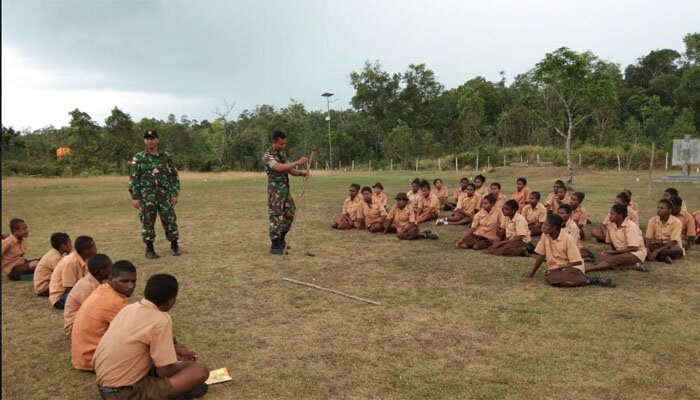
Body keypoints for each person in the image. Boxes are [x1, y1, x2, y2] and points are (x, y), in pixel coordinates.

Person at [93, 274, 208, 399]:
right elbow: (164, 371)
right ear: (171, 301)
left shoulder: (129, 309)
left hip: (104, 388)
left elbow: (138, 342)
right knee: (200, 370)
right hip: (126, 393)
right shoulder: (161, 320)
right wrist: (184, 365)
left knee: (178, 352)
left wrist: (177, 352)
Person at [72, 260, 137, 371]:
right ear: (110, 279)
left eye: (133, 281)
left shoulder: (103, 289)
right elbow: (135, 333)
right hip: (92, 359)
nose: (130, 286)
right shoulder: (114, 301)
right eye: (125, 281)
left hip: (82, 357)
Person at [129, 129, 181, 259]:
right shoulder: (139, 158)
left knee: (169, 220)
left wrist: (174, 193)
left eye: (152, 138)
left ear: (157, 140)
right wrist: (135, 197)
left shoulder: (166, 157)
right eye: (147, 138)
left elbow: (173, 177)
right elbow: (134, 179)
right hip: (147, 196)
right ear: (144, 141)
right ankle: (150, 249)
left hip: (164, 195)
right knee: (147, 222)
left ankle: (174, 245)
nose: (150, 141)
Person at [523, 214, 615, 288]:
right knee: (552, 278)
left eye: (546, 225)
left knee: (556, 279)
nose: (543, 227)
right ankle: (572, 280)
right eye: (543, 224)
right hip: (555, 269)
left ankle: (592, 280)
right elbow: (541, 256)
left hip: (571, 268)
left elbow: (577, 262)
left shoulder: (567, 239)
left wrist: (560, 268)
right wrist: (532, 274)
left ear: (554, 228)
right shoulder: (545, 236)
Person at [263, 130, 310, 255]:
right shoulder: (268, 156)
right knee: (276, 216)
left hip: (285, 190)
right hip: (275, 191)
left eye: (285, 144)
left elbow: (289, 170)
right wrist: (297, 162)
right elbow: (278, 167)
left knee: (291, 213)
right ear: (274, 142)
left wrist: (301, 173)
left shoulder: (282, 154)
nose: (283, 146)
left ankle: (281, 239)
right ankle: (275, 245)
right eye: (281, 144)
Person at [587, 205, 648, 272]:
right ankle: (633, 266)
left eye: (612, 214)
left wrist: (615, 253)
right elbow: (612, 243)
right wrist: (613, 253)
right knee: (601, 259)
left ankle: (587, 270)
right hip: (621, 253)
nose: (609, 216)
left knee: (614, 259)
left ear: (620, 216)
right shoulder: (611, 225)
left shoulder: (631, 226)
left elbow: (634, 248)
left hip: (635, 253)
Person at [64, 254, 113, 338]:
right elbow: (96, 313)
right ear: (102, 271)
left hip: (84, 323)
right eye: (110, 268)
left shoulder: (96, 281)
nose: (112, 271)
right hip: (75, 328)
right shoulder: (87, 286)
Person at [48, 236, 97, 309]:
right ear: (86, 251)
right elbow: (69, 288)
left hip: (74, 292)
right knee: (93, 299)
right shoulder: (71, 262)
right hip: (61, 297)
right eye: (94, 247)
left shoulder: (84, 259)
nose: (96, 250)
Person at [645, 198, 684, 264]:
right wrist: (647, 249)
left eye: (662, 208)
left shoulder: (676, 222)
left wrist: (656, 251)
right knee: (642, 243)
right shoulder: (652, 220)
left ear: (670, 210)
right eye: (658, 208)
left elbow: (673, 242)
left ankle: (655, 255)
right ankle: (661, 257)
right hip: (656, 244)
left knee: (678, 250)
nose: (659, 210)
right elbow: (648, 237)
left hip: (669, 246)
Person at [34, 232, 72, 297]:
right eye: (70, 243)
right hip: (44, 288)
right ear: (63, 246)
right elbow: (64, 276)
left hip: (43, 286)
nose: (71, 245)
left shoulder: (54, 253)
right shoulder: (56, 258)